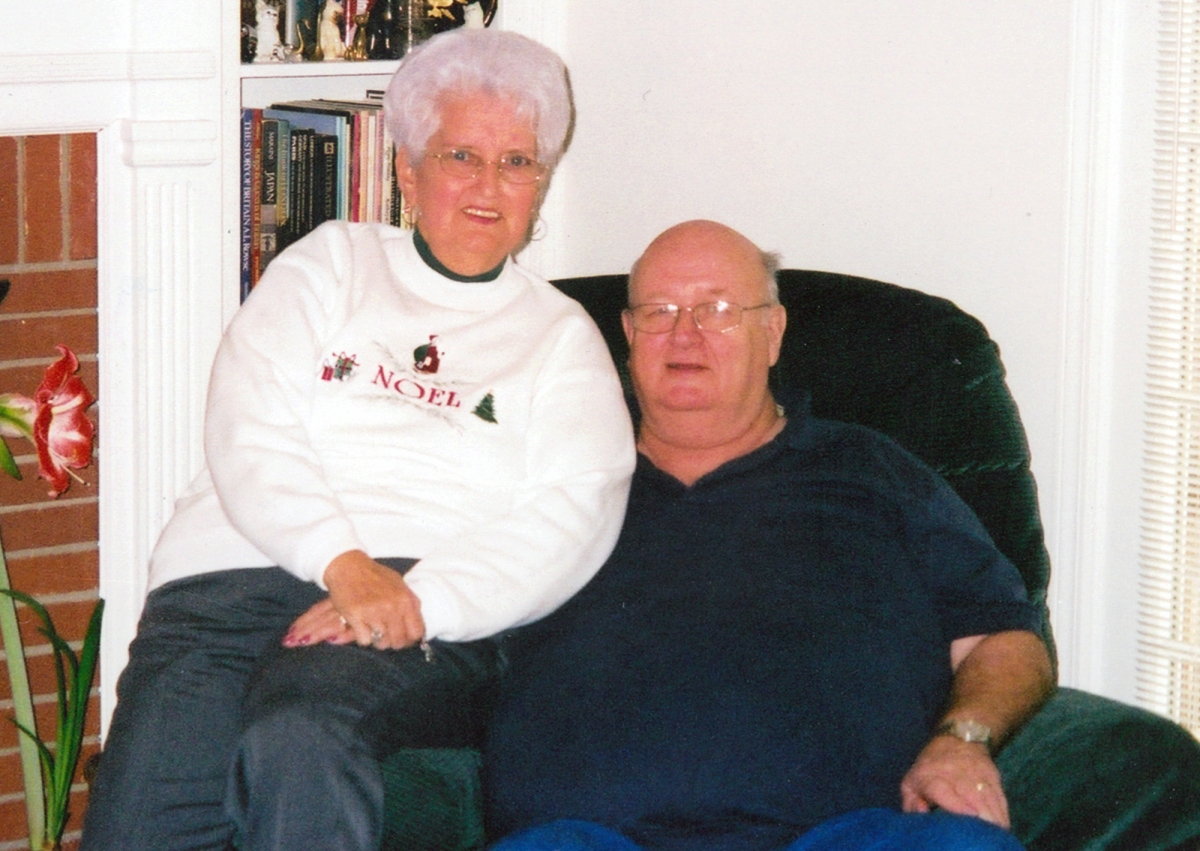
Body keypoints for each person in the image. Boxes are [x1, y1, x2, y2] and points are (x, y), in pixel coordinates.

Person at [81, 28, 635, 851]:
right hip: (228, 582)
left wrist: (419, 601)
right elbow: (248, 422)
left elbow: (574, 513)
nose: (489, 185)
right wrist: (341, 562)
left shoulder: (559, 336)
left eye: (517, 163)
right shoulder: (329, 263)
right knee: (139, 828)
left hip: (416, 601)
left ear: (542, 184)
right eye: (460, 156)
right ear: (407, 170)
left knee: (300, 737)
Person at [483, 220, 1055, 851]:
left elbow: (1004, 639)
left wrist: (962, 740)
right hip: (583, 840)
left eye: (718, 310)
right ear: (626, 334)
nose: (684, 333)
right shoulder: (557, 478)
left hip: (847, 837)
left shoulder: (872, 470)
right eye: (658, 311)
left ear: (773, 331)